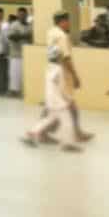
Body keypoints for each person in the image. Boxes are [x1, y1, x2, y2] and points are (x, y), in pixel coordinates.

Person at [22, 11, 87, 153]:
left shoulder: (51, 33)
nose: (69, 23)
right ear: (62, 22)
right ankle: (67, 144)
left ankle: (32, 134)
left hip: (51, 71)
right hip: (59, 73)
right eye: (67, 21)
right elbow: (66, 58)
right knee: (64, 110)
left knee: (53, 113)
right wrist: (75, 76)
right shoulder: (62, 36)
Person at [7, 7, 32, 97]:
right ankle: (14, 94)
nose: (21, 16)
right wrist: (24, 35)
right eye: (20, 15)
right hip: (16, 55)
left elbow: (32, 37)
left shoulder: (30, 26)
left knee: (25, 77)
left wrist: (27, 36)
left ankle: (23, 94)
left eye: (23, 15)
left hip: (26, 56)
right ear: (17, 15)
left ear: (26, 15)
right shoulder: (14, 25)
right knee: (15, 77)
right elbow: (11, 36)